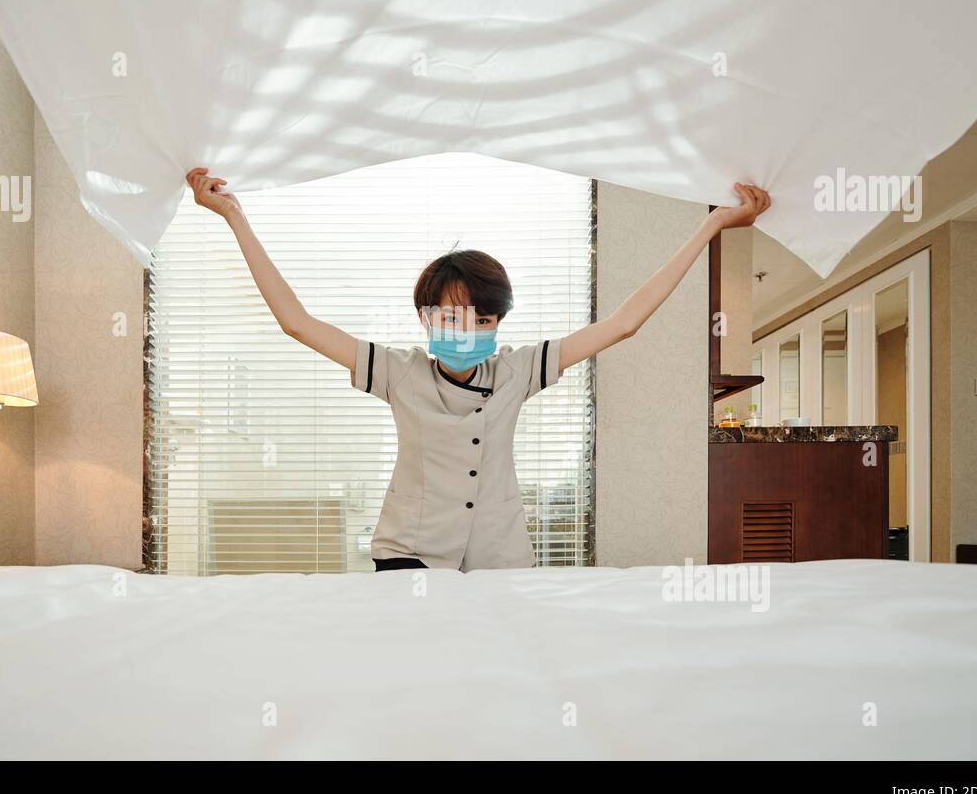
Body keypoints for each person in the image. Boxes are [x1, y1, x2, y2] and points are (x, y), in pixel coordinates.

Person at [185, 167, 769, 572]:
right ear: (425, 318)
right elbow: (296, 321)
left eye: (480, 316)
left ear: (497, 322)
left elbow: (623, 322)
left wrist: (711, 225)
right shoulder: (396, 372)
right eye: (450, 315)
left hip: (499, 557)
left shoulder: (519, 371)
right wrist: (233, 216)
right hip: (408, 556)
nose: (465, 329)